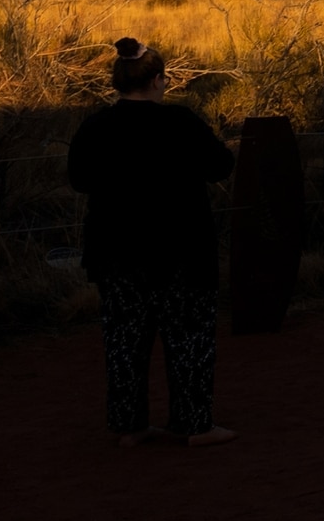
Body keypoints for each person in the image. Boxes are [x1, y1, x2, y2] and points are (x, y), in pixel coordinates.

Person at [65, 37, 238, 447]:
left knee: (125, 341)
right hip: (182, 250)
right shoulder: (181, 122)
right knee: (189, 339)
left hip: (117, 252)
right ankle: (195, 424)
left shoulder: (96, 126)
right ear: (160, 80)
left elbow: (79, 180)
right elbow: (221, 165)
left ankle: (130, 425)